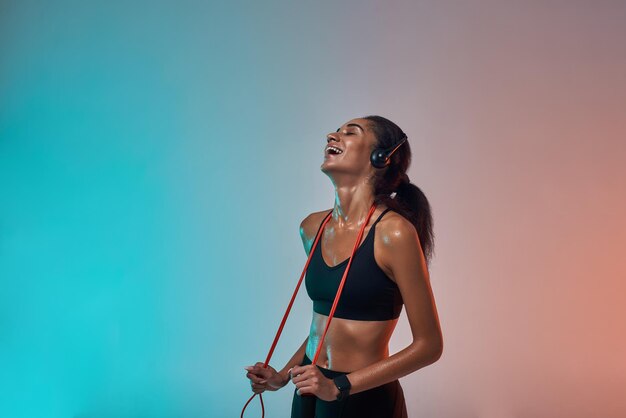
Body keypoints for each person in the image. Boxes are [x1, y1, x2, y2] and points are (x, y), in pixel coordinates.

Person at [244, 115, 443, 417]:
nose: (331, 136)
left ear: (381, 158)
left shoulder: (394, 233)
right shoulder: (312, 227)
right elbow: (324, 328)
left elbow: (429, 346)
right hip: (310, 390)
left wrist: (340, 387)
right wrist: (283, 376)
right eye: (336, 131)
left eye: (350, 132)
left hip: (362, 398)